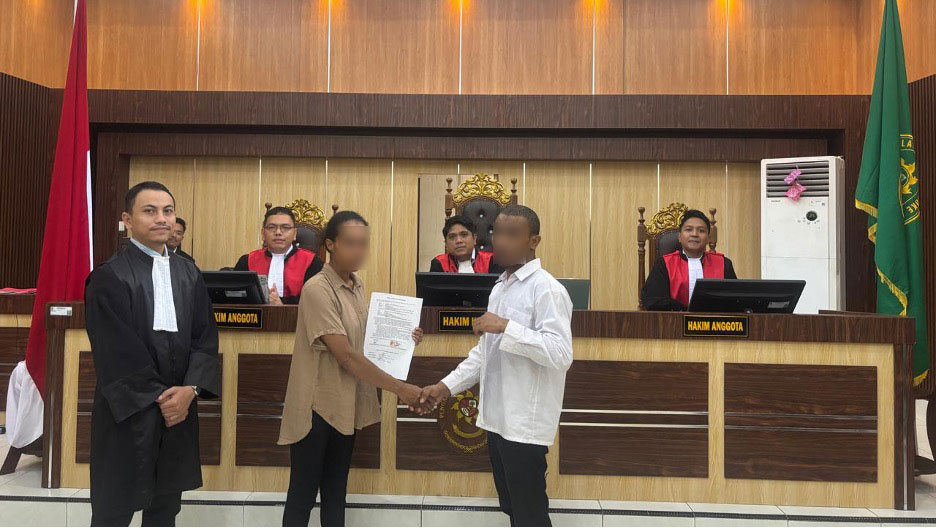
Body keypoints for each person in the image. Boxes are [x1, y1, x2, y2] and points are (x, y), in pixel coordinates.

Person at [417, 205, 573, 527]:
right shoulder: (500, 287)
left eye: (511, 234)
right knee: (514, 511)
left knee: (531, 517)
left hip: (524, 424)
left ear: (534, 241)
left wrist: (506, 326)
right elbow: (484, 354)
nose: (500, 241)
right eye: (497, 233)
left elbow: (560, 354)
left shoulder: (547, 289)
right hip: (497, 420)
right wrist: (444, 387)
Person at [84, 181, 220, 526]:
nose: (162, 219)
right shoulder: (109, 276)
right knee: (114, 509)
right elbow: (115, 350)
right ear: (127, 219)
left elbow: (205, 336)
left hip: (178, 410)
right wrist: (161, 397)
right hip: (128, 411)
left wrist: (190, 390)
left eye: (168, 211)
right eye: (150, 211)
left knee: (165, 509)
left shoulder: (189, 273)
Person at [278, 210, 426, 527]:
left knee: (336, 492)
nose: (359, 251)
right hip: (316, 406)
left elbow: (368, 338)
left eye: (363, 243)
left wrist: (404, 336)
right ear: (330, 244)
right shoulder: (318, 289)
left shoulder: (356, 285)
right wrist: (400, 389)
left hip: (345, 403)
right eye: (351, 243)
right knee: (303, 494)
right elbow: (345, 354)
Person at [640, 209, 737, 311]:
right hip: (675, 319)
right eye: (688, 229)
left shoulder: (723, 264)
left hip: (715, 320)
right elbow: (653, 300)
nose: (694, 234)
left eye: (701, 230)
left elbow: (735, 300)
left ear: (708, 238)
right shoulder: (664, 264)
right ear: (679, 237)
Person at [234, 206, 323, 305]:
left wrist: (282, 305)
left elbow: (315, 301)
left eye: (285, 227)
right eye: (272, 227)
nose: (278, 232)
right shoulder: (247, 261)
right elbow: (235, 298)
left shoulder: (313, 262)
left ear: (294, 234)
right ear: (263, 234)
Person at [429, 215, 502, 274]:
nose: (458, 241)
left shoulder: (492, 261)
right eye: (452, 237)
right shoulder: (439, 263)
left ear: (474, 239)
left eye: (464, 235)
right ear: (446, 244)